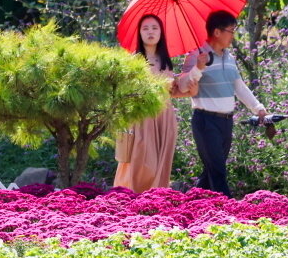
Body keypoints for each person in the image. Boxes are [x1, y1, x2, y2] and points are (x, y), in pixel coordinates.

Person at [180, 10, 269, 197]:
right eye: (231, 30)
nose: (233, 35)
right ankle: (229, 213)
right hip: (205, 121)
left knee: (211, 171)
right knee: (218, 171)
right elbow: (184, 85)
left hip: (226, 122)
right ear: (217, 32)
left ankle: (189, 204)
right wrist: (198, 67)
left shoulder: (229, 57)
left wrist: (258, 108)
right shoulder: (197, 54)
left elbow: (239, 86)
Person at [113, 14, 197, 192]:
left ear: (161, 33)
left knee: (161, 164)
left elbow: (171, 92)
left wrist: (191, 84)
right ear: (139, 34)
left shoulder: (165, 62)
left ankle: (155, 203)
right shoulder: (133, 61)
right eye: (145, 28)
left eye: (154, 28)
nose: (150, 32)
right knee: (141, 163)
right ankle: (130, 200)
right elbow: (125, 92)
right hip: (141, 118)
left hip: (164, 119)